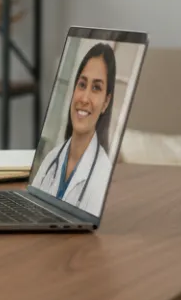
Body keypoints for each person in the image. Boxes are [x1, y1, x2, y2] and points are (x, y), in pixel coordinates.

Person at [29, 42, 117, 214]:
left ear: (106, 102)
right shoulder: (51, 159)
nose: (84, 98)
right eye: (82, 85)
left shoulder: (103, 176)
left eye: (96, 88)